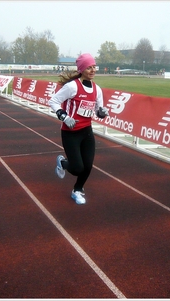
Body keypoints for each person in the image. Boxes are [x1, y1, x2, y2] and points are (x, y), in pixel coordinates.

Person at [48, 53, 109, 205]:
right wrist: (64, 117)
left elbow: (97, 110)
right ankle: (62, 163)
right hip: (70, 133)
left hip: (86, 132)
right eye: (89, 67)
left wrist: (101, 113)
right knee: (76, 168)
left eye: (94, 67)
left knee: (87, 166)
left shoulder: (97, 89)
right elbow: (53, 101)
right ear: (82, 69)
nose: (93, 70)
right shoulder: (72, 86)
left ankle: (77, 190)